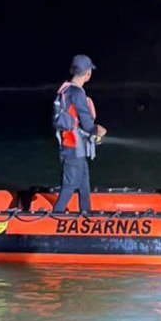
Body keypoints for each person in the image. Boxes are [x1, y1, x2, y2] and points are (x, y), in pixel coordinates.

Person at [52, 54, 107, 213]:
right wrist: (98, 131)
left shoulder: (65, 89)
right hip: (72, 146)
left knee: (84, 184)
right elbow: (87, 123)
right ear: (88, 73)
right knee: (69, 185)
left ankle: (86, 214)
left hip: (73, 145)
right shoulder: (77, 93)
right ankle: (56, 216)